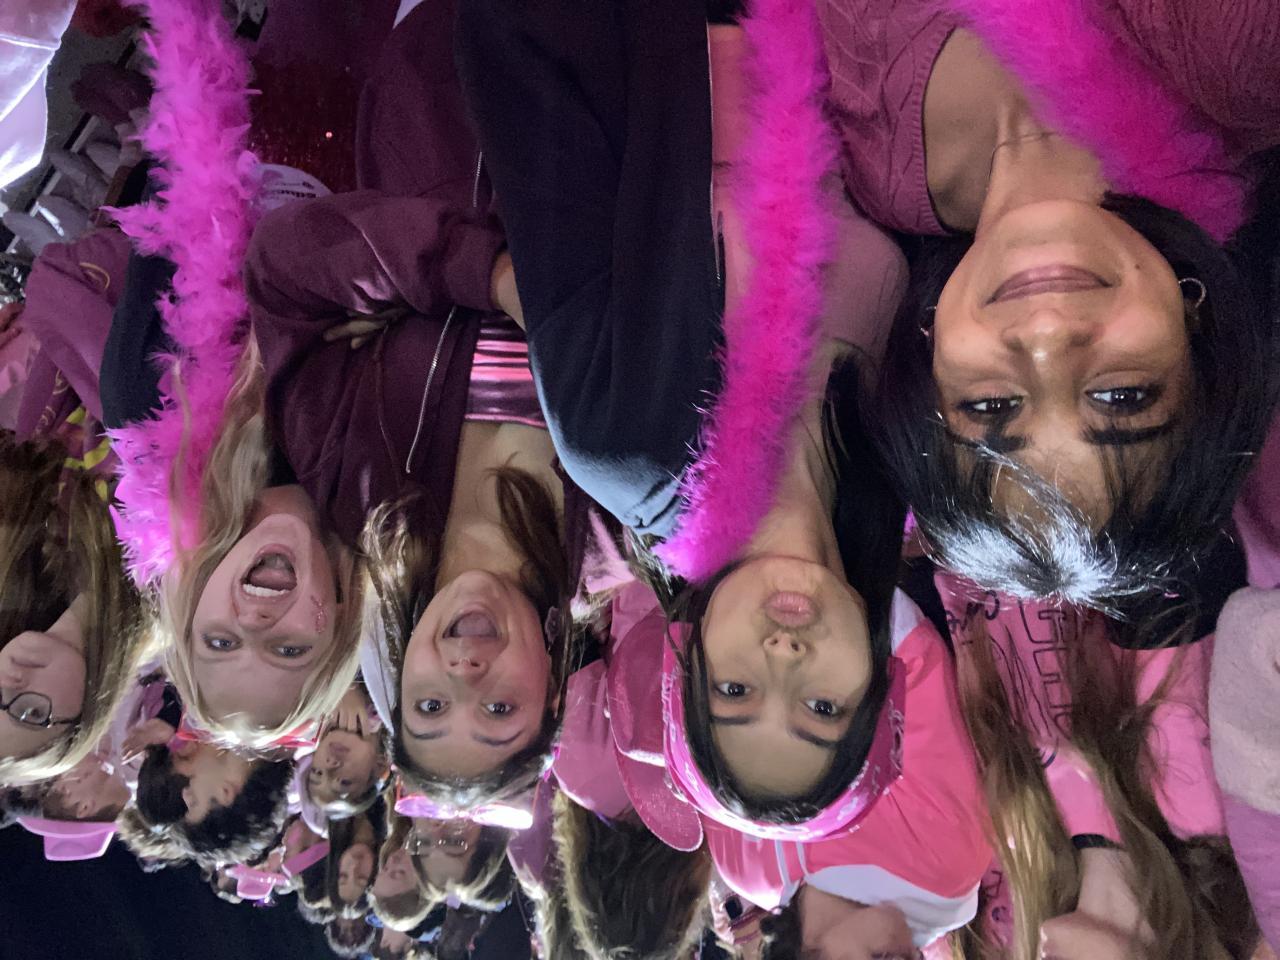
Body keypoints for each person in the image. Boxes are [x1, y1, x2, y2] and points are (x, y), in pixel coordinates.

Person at [116, 728, 294, 868]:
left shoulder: (280, 737)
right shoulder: (262, 719)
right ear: (225, 793)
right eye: (193, 803)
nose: (185, 794)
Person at [299, 683, 391, 829]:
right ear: (380, 765)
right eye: (344, 782)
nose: (330, 763)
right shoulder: (397, 712)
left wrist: (341, 687)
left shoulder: (312, 711)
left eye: (318, 772)